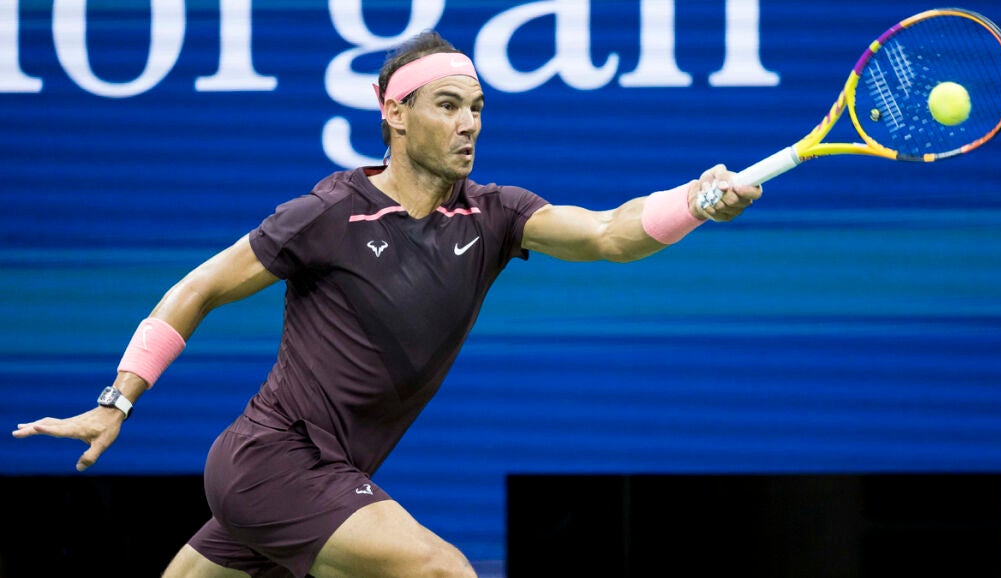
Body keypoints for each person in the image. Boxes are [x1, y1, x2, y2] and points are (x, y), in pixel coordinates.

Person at [12, 29, 760, 578]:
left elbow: (608, 233)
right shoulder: (328, 213)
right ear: (395, 114)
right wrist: (118, 400)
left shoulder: (495, 214)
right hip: (274, 460)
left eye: (476, 107)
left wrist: (697, 201)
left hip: (313, 472)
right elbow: (197, 289)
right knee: (442, 571)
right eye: (448, 105)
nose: (469, 123)